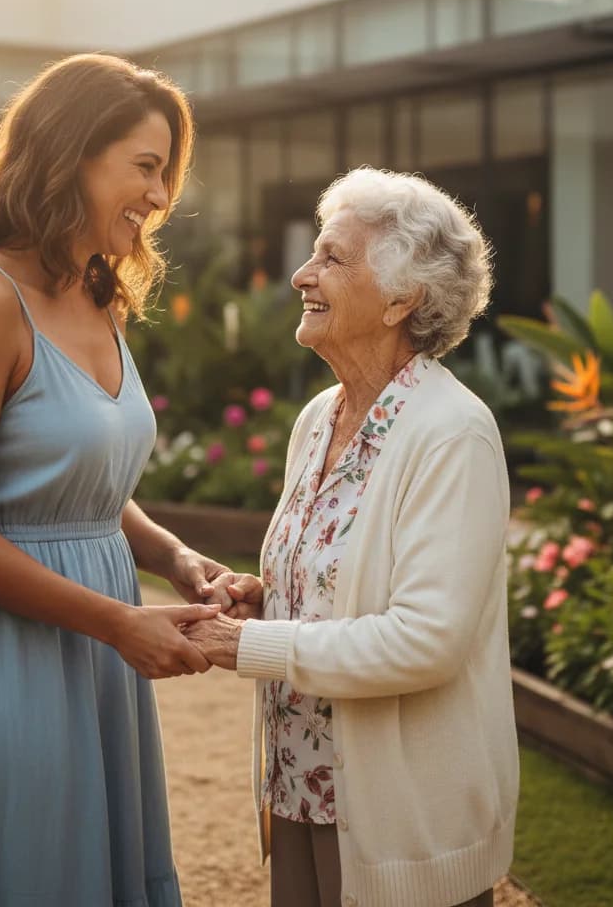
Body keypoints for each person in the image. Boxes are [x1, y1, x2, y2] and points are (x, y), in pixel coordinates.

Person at [0, 53, 247, 906]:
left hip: (98, 657)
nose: (160, 195)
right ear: (72, 153)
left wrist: (176, 559)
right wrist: (119, 622)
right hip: (0, 662)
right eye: (145, 167)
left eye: (166, 173)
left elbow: (87, 485)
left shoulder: (99, 297)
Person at [185, 168, 520, 907]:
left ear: (403, 300)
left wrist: (249, 646)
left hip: (398, 819)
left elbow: (426, 640)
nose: (302, 274)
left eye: (332, 258)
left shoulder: (453, 433)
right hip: (301, 790)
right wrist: (265, 601)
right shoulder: (320, 418)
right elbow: (339, 584)